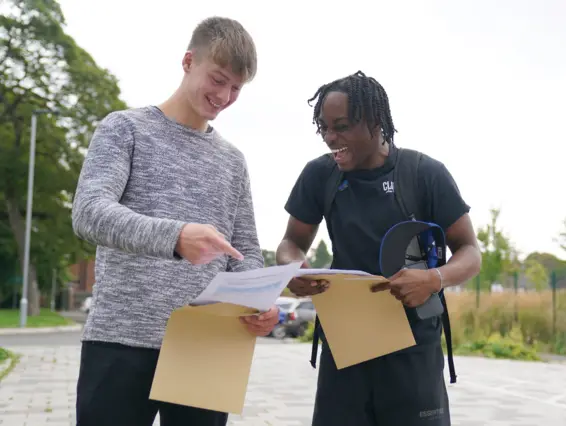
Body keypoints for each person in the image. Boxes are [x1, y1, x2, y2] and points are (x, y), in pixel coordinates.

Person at [71, 16, 279, 426]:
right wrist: (175, 236)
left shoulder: (233, 161)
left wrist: (258, 299)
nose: (225, 96)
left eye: (236, 88)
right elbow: (89, 212)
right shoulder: (124, 129)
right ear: (188, 62)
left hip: (207, 344)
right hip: (121, 339)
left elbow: (246, 250)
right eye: (218, 79)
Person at [276, 70, 482, 426]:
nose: (330, 137)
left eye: (341, 126)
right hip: (347, 345)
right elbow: (291, 243)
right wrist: (294, 267)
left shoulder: (424, 174)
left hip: (413, 348)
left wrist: (433, 278)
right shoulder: (319, 176)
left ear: (374, 122)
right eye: (324, 127)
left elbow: (470, 252)